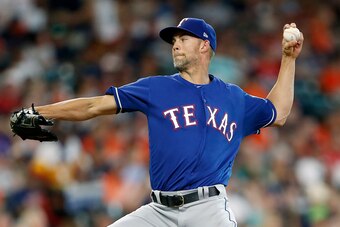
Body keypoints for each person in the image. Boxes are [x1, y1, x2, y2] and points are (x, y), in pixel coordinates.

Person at [20, 18, 304, 226]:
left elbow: (278, 113)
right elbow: (95, 105)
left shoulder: (233, 98)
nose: (175, 45)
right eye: (174, 41)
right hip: (158, 212)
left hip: (207, 209)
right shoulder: (156, 88)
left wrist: (288, 59)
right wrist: (38, 112)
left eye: (183, 39)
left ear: (205, 46)